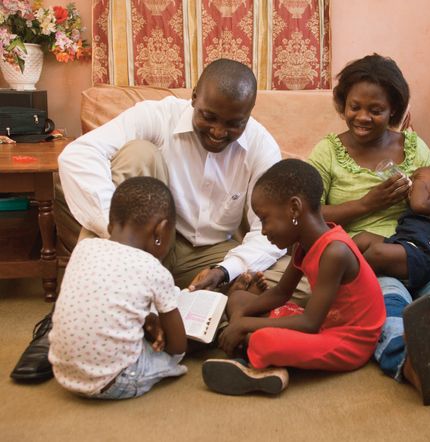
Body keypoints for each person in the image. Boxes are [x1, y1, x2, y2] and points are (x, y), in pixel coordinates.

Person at [10, 58, 287, 383]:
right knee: (137, 153)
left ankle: (180, 316)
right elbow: (78, 155)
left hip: (212, 256)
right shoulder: (157, 115)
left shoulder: (261, 145)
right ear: (194, 97)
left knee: (296, 281)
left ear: (249, 114)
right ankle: (64, 320)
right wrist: (120, 233)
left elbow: (268, 231)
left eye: (233, 124)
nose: (218, 132)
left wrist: (226, 270)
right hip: (143, 244)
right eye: (209, 117)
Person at [307, 53, 430, 405]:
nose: (363, 117)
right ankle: (414, 362)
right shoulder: (327, 153)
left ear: (392, 110)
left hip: (424, 246)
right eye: (354, 106)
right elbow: (310, 215)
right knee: (387, 304)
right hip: (370, 258)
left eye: (376, 110)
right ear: (342, 104)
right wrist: (367, 204)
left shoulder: (413, 146)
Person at [202, 159, 386, 396]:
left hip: (349, 340)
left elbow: (310, 323)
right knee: (237, 298)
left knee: (264, 341)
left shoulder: (335, 252)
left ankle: (259, 363)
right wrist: (242, 315)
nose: (264, 229)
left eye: (265, 219)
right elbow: (280, 293)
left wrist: (245, 323)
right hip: (325, 322)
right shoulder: (305, 244)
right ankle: (260, 356)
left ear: (294, 208)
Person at [48, 177, 188, 399]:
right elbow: (178, 346)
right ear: (161, 231)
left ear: (110, 224)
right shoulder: (152, 268)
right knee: (173, 360)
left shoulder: (84, 248)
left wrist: (150, 321)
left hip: (63, 371)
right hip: (115, 382)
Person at [354, 166, 430, 290]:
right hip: (403, 244)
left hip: (422, 255)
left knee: (377, 252)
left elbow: (419, 204)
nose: (411, 180)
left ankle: (351, 280)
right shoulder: (423, 201)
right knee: (363, 238)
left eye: (417, 177)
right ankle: (338, 263)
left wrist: (418, 184)